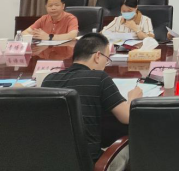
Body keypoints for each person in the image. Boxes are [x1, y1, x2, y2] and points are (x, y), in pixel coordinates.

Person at [42, 33, 141, 167]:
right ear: (97, 56)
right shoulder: (99, 77)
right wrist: (133, 98)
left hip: (52, 161)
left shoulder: (49, 80)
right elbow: (127, 117)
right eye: (107, 58)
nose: (106, 64)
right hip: (90, 163)